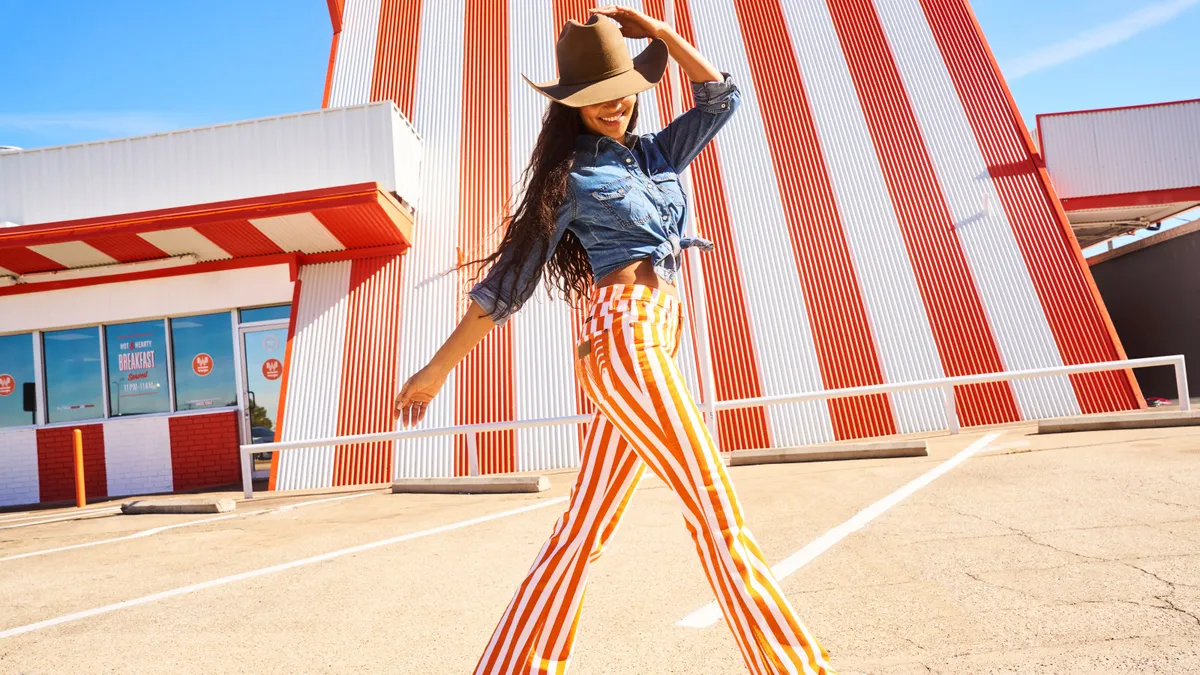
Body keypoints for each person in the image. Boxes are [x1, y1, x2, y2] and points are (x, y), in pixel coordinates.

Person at [395, 7, 835, 674]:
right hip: (624, 339)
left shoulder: (658, 153)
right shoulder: (571, 175)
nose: (614, 104)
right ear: (573, 105)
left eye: (623, 87)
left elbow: (723, 97)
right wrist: (434, 371)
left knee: (581, 530)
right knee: (715, 505)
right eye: (596, 95)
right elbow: (505, 286)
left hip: (654, 337)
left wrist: (658, 36)